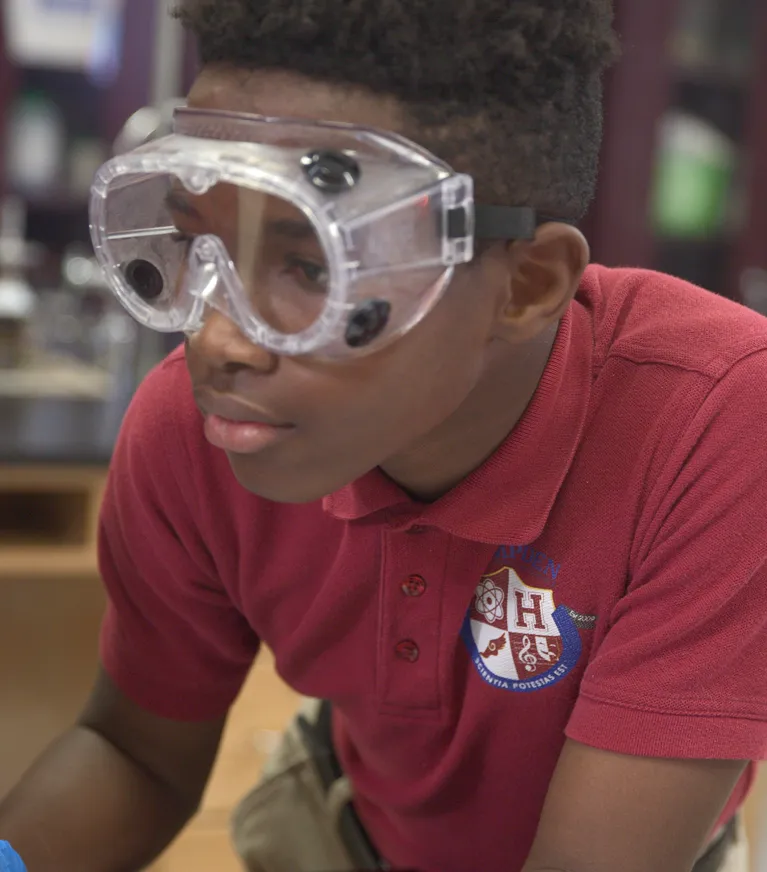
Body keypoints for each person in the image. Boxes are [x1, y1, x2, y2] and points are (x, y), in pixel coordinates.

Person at [1, 0, 766, 870]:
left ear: (526, 285)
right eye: (192, 241)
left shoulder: (717, 421)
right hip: (348, 826)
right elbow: (136, 756)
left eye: (312, 266)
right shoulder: (200, 428)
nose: (217, 339)